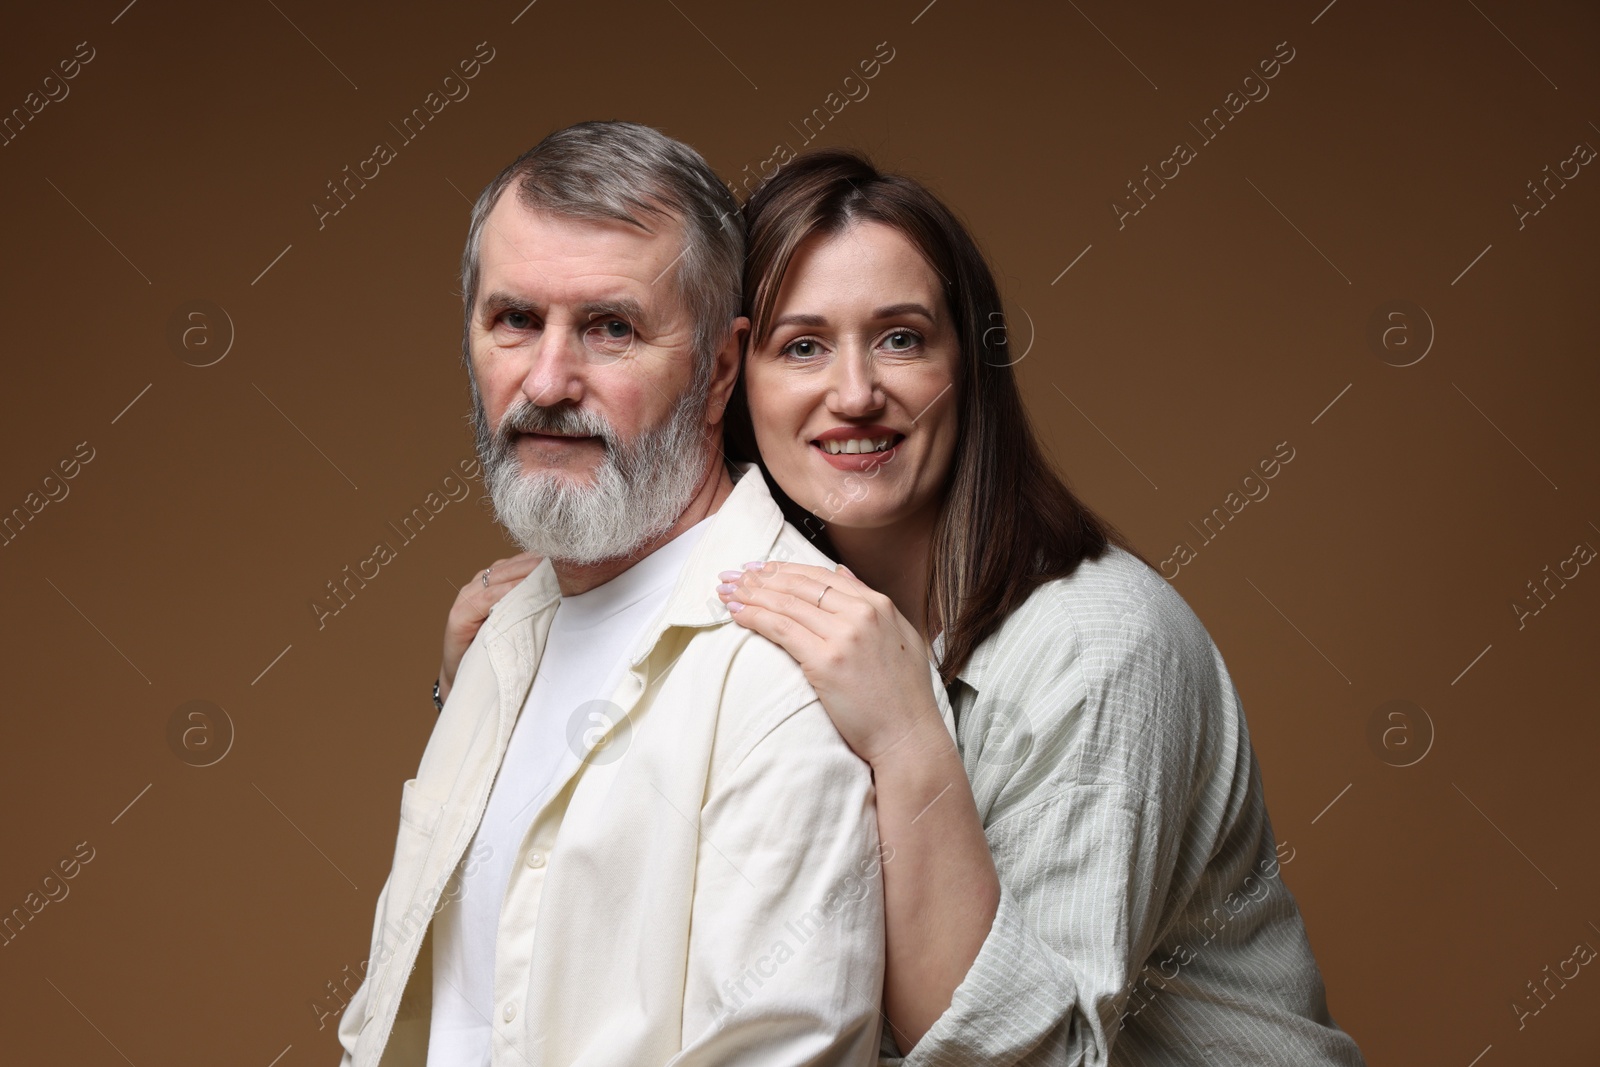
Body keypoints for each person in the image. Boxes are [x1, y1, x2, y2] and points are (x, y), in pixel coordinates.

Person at [438, 147, 1367, 1065]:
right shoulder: (779, 614)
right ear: (729, 377)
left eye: (901, 338)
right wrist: (527, 671)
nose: (854, 394)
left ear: (970, 368)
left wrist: (909, 739)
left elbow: (1041, 1064)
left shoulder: (1096, 647)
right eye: (801, 346)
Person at [338, 123, 886, 1067]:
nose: (547, 382)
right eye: (514, 320)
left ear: (719, 369)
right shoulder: (498, 635)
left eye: (611, 328)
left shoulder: (788, 670)